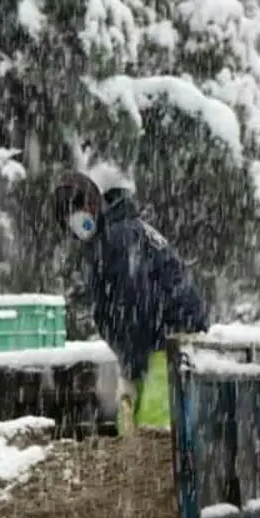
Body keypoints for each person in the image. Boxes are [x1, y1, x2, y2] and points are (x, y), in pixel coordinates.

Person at [53, 171, 209, 430]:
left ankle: (158, 469)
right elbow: (113, 310)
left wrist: (131, 368)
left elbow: (134, 305)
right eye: (68, 217)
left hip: (170, 339)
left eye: (79, 208)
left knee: (155, 425)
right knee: (129, 424)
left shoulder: (119, 239)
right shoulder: (108, 238)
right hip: (154, 341)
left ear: (94, 203)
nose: (76, 221)